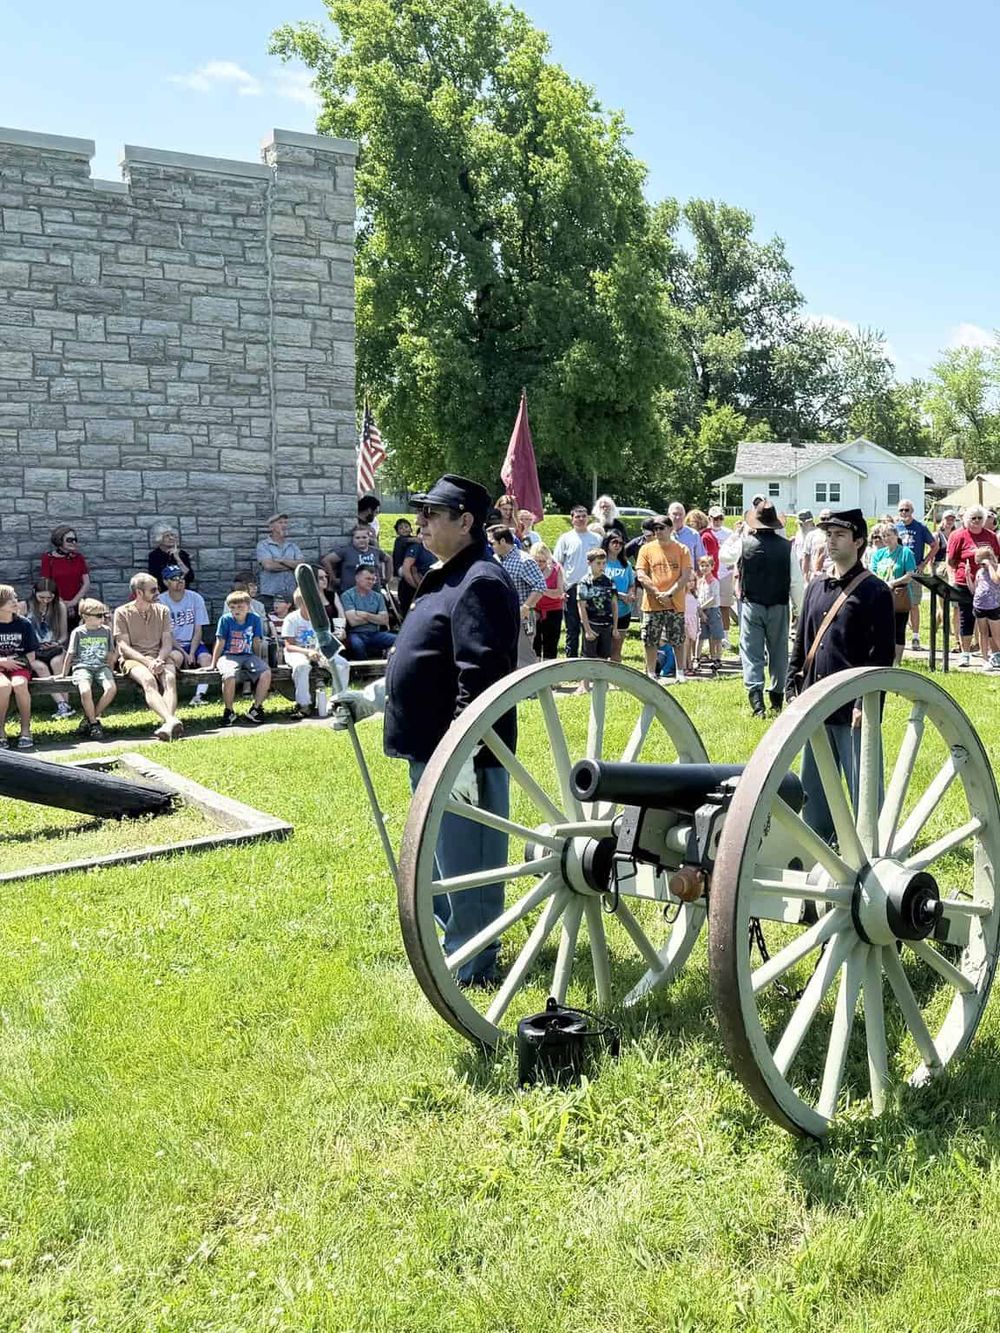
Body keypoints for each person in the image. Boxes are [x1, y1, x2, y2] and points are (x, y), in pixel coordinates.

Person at [333, 475, 520, 987]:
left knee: (469, 864)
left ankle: (475, 963)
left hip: (462, 753)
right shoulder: (444, 575)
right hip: (429, 747)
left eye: (434, 513)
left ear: (466, 521)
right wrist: (372, 699)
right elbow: (419, 660)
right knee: (437, 862)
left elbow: (480, 677)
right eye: (423, 512)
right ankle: (451, 947)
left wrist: (463, 754)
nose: (422, 521)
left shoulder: (480, 580)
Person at [788, 510, 894, 843]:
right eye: (828, 535)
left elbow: (882, 656)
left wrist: (868, 702)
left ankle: (868, 841)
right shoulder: (817, 585)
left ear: (858, 542)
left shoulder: (876, 591)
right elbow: (803, 638)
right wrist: (793, 681)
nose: (831, 542)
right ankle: (821, 838)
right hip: (816, 698)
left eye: (839, 535)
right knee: (815, 784)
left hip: (853, 705)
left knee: (862, 782)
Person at [720, 501, 803, 718]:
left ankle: (757, 703)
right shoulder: (787, 548)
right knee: (778, 654)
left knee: (751, 654)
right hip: (778, 605)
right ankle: (776, 699)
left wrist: (736, 535)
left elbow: (724, 556)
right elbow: (796, 582)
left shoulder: (744, 544)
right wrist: (800, 610)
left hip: (752, 605)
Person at [113, 573, 184, 741]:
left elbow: (167, 641)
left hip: (160, 655)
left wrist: (159, 659)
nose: (158, 592)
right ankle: (170, 720)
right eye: (153, 590)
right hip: (134, 659)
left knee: (170, 679)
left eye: (157, 588)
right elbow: (123, 646)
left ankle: (168, 725)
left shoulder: (163, 610)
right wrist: (147, 662)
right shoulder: (122, 612)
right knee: (149, 681)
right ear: (139, 592)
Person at [635, 515, 690, 682]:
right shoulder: (646, 549)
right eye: (655, 529)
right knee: (650, 639)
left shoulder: (682, 549)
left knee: (678, 639)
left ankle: (680, 672)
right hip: (652, 603)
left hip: (675, 603)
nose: (657, 531)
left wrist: (670, 593)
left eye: (661, 528)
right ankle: (651, 673)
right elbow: (641, 574)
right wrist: (657, 593)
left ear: (670, 528)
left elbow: (685, 575)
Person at [947, 504, 1000, 667]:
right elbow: (951, 560)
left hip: (989, 585)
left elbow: (997, 556)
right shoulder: (958, 535)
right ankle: (965, 652)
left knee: (991, 619)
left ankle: (994, 653)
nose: (976, 521)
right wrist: (953, 578)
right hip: (965, 581)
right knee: (966, 618)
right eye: (973, 518)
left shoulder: (990, 536)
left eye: (979, 518)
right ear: (966, 520)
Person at [210, 590, 271, 727]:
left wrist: (258, 660)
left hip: (248, 655)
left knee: (265, 672)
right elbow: (220, 642)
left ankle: (256, 708)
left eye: (240, 607)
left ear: (248, 606)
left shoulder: (254, 618)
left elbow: (256, 641)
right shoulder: (225, 620)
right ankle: (229, 710)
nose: (236, 610)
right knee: (229, 675)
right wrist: (213, 663)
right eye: (232, 607)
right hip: (228, 655)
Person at [489, 526, 546, 667]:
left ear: (502, 541)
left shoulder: (524, 560)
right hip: (499, 616)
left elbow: (540, 586)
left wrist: (526, 607)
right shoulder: (495, 559)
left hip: (521, 617)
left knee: (524, 657)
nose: (490, 546)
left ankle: (533, 688)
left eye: (492, 543)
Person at [62, 598, 117, 739]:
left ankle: (89, 717)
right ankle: (94, 724)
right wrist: (63, 673)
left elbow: (110, 653)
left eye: (104, 615)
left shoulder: (106, 631)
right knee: (85, 690)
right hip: (82, 667)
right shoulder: (78, 632)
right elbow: (70, 653)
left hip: (102, 666)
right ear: (86, 617)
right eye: (99, 616)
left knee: (111, 689)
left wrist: (111, 670)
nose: (103, 619)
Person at [553, 505, 602, 656]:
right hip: (572, 587)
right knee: (572, 627)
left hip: (592, 587)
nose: (581, 519)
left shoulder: (597, 539)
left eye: (583, 516)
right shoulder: (565, 538)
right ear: (572, 519)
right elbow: (557, 564)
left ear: (587, 518)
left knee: (590, 625)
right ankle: (571, 661)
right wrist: (562, 588)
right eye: (577, 516)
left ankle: (587, 659)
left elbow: (603, 563)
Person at [159, 565, 212, 704]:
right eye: (174, 578)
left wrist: (192, 652)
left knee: (206, 658)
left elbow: (198, 629)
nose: (179, 581)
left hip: (193, 642)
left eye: (181, 577)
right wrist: (184, 652)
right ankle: (169, 695)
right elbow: (166, 633)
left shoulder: (195, 598)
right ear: (165, 582)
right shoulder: (160, 601)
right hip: (173, 644)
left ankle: (199, 696)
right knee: (174, 658)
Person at [25, 578, 74, 718]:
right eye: (42, 597)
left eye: (49, 597)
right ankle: (62, 704)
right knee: (40, 667)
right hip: (33, 649)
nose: (45, 600)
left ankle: (66, 705)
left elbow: (64, 635)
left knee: (57, 662)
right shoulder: (24, 606)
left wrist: (57, 643)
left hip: (54, 647)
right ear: (34, 592)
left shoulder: (60, 606)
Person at [870, 523, 916, 665]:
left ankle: (896, 661)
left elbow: (910, 575)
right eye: (884, 536)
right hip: (881, 594)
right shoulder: (879, 554)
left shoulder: (906, 553)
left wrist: (893, 583)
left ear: (896, 535)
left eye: (889, 535)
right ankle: (881, 657)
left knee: (898, 629)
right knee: (879, 628)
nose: (886, 539)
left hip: (899, 595)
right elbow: (872, 571)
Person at [281, 590, 331, 718]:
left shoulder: (321, 617)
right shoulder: (291, 619)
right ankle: (304, 705)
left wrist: (321, 652)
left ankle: (338, 701)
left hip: (317, 651)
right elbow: (289, 645)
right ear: (300, 604)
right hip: (297, 651)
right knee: (302, 666)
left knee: (341, 665)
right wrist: (308, 652)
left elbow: (325, 638)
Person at [0, 584, 38, 750]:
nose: (15, 602)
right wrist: (2, 662)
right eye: (10, 600)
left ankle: (25, 730)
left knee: (19, 685)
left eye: (15, 598)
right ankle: (0, 731)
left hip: (19, 664)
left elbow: (31, 654)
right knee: (3, 687)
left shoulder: (24, 624)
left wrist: (17, 662)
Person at [896, 499, 935, 650]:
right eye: (901, 510)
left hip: (914, 570)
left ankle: (916, 637)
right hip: (899, 570)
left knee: (914, 604)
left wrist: (923, 563)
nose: (904, 513)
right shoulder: (896, 527)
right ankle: (898, 636)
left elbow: (934, 545)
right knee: (897, 604)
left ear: (912, 511)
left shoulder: (920, 527)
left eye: (907, 510)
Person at [577, 547, 619, 668]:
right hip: (592, 623)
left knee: (604, 657)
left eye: (604, 563)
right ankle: (584, 684)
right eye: (598, 563)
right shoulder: (584, 582)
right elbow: (581, 606)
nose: (601, 566)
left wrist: (615, 627)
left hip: (606, 624)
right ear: (589, 563)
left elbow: (614, 605)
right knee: (588, 657)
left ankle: (601, 684)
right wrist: (587, 629)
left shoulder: (610, 582)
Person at [341, 567, 397, 659]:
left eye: (373, 579)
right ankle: (362, 670)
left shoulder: (378, 597)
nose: (371, 582)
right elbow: (353, 621)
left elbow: (384, 620)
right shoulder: (347, 595)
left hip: (375, 633)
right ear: (357, 578)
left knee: (398, 640)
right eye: (368, 579)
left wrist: (365, 615)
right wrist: (375, 617)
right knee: (357, 645)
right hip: (356, 633)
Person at [40, 525, 90, 627]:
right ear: (59, 540)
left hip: (78, 604)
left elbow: (86, 582)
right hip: (55, 603)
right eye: (69, 540)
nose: (74, 543)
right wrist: (61, 604)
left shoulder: (78, 558)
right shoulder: (48, 559)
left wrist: (73, 602)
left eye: (75, 540)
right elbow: (46, 583)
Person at [255, 514, 302, 608]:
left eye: (285, 523)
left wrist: (282, 560)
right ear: (271, 527)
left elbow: (301, 565)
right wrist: (291, 565)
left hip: (291, 594)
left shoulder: (293, 546)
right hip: (270, 594)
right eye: (280, 522)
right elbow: (269, 566)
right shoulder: (263, 545)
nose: (284, 525)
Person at [602, 532, 635, 664]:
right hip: (605, 611)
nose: (618, 546)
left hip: (623, 611)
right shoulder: (602, 563)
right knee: (604, 649)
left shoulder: (625, 564)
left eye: (621, 543)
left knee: (617, 648)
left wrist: (630, 594)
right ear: (607, 543)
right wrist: (619, 595)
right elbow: (600, 586)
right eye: (614, 542)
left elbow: (631, 583)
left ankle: (616, 679)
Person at [322, 525, 383, 594]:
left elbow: (388, 559)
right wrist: (333, 578)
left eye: (364, 537)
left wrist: (388, 578)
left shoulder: (375, 551)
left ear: (369, 538)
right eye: (357, 538)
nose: (361, 540)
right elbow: (326, 560)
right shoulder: (346, 551)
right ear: (353, 539)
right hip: (350, 593)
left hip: (373, 592)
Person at [532, 544, 565, 660]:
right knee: (534, 644)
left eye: (543, 561)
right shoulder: (529, 569)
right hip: (534, 610)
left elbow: (559, 593)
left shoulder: (556, 569)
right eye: (537, 560)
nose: (540, 563)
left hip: (553, 610)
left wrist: (540, 589)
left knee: (550, 644)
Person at [708, 506, 736, 632]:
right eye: (715, 518)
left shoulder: (729, 533)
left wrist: (733, 566)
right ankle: (710, 635)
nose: (718, 521)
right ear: (709, 518)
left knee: (725, 606)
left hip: (725, 573)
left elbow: (735, 551)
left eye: (720, 518)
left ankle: (725, 636)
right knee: (709, 605)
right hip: (710, 574)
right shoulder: (705, 533)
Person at [397, 530, 437, 617]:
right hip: (412, 588)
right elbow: (406, 570)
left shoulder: (437, 548)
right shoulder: (416, 547)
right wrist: (418, 588)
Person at [973, 546, 1000, 669]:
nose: (980, 566)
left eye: (981, 562)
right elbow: (974, 588)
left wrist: (989, 566)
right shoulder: (979, 572)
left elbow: (996, 581)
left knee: (996, 635)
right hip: (980, 605)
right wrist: (968, 577)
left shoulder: (997, 568)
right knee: (982, 633)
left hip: (993, 606)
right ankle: (985, 659)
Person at [695, 554, 723, 669]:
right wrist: (700, 612)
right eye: (702, 566)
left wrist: (701, 607)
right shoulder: (700, 582)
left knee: (716, 636)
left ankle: (717, 658)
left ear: (712, 567)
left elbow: (713, 598)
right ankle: (696, 658)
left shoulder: (714, 582)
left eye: (707, 565)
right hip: (702, 612)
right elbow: (698, 596)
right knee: (700, 636)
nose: (704, 568)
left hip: (713, 610)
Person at [147, 524, 195, 591]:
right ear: (160, 538)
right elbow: (155, 579)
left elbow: (190, 577)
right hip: (163, 593)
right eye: (167, 536)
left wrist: (177, 558)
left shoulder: (182, 554)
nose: (171, 538)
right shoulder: (154, 556)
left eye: (172, 535)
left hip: (182, 592)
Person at [668, 502, 706, 567]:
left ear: (684, 516)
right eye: (674, 514)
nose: (678, 517)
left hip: (689, 575)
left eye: (680, 514)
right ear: (668, 515)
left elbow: (700, 559)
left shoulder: (694, 535)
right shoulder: (662, 534)